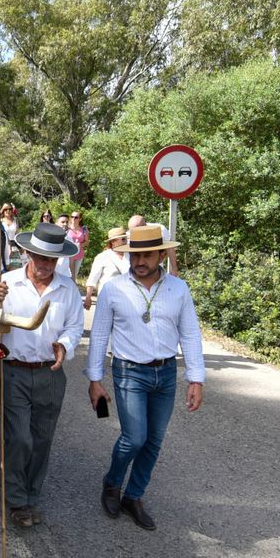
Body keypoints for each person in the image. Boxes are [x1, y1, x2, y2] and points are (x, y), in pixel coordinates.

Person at [86, 223, 204, 530]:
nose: (140, 261)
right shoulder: (114, 288)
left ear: (162, 254)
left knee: (153, 441)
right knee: (134, 438)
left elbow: (190, 334)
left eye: (147, 255)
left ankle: (133, 496)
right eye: (135, 254)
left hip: (166, 373)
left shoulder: (179, 289)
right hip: (129, 372)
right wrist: (95, 380)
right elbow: (99, 336)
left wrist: (196, 379)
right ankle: (112, 483)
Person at [0, 223, 85, 527]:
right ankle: (16, 501)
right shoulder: (5, 284)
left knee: (42, 440)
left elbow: (74, 326)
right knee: (19, 438)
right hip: (13, 370)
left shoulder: (68, 289)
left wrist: (65, 345)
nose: (46, 265)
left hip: (50, 373)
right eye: (40, 258)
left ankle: (31, 497)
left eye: (52, 260)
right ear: (27, 253)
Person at [83, 226, 131, 309]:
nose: (125, 241)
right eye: (123, 239)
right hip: (107, 297)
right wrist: (88, 297)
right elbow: (92, 279)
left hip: (128, 297)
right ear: (113, 242)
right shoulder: (103, 256)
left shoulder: (131, 256)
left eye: (125, 239)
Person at [54, 213, 84, 281]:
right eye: (62, 222)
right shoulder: (50, 238)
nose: (65, 224)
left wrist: (73, 277)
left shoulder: (69, 239)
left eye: (67, 222)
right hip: (52, 273)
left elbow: (71, 259)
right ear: (56, 223)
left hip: (64, 275)